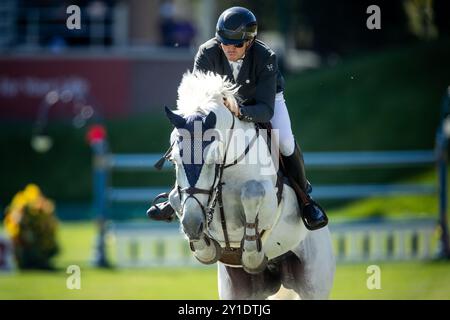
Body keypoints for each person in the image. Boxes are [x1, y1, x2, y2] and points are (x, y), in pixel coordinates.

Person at [147, 6, 328, 230]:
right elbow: (196, 98)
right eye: (224, 42)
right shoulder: (207, 52)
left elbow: (265, 109)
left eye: (237, 44)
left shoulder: (265, 57)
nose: (229, 48)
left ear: (250, 41)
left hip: (261, 101)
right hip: (222, 108)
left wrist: (240, 111)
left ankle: (305, 201)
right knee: (192, 140)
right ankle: (176, 197)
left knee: (285, 142)